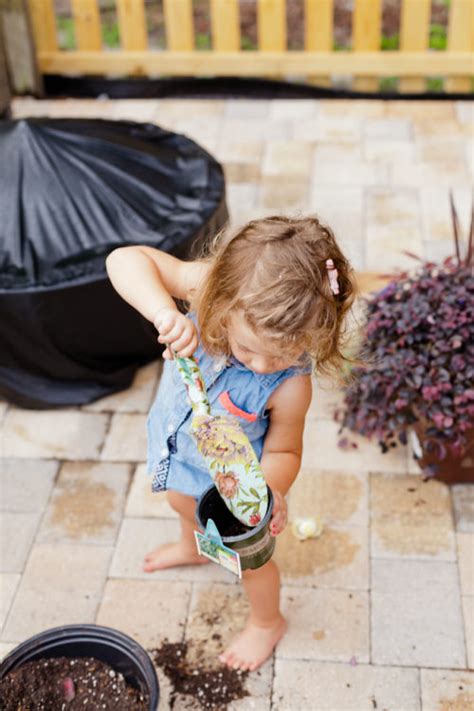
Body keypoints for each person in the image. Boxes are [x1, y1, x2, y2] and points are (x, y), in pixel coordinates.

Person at [106, 215, 356, 671]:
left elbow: (284, 451)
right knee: (180, 501)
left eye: (282, 354)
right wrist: (165, 313)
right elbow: (124, 259)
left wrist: (272, 490)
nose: (263, 366)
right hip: (176, 452)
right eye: (247, 349)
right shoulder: (210, 288)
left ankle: (267, 621)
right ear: (221, 301)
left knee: (252, 563)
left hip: (231, 493)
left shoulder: (289, 386)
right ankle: (191, 545)